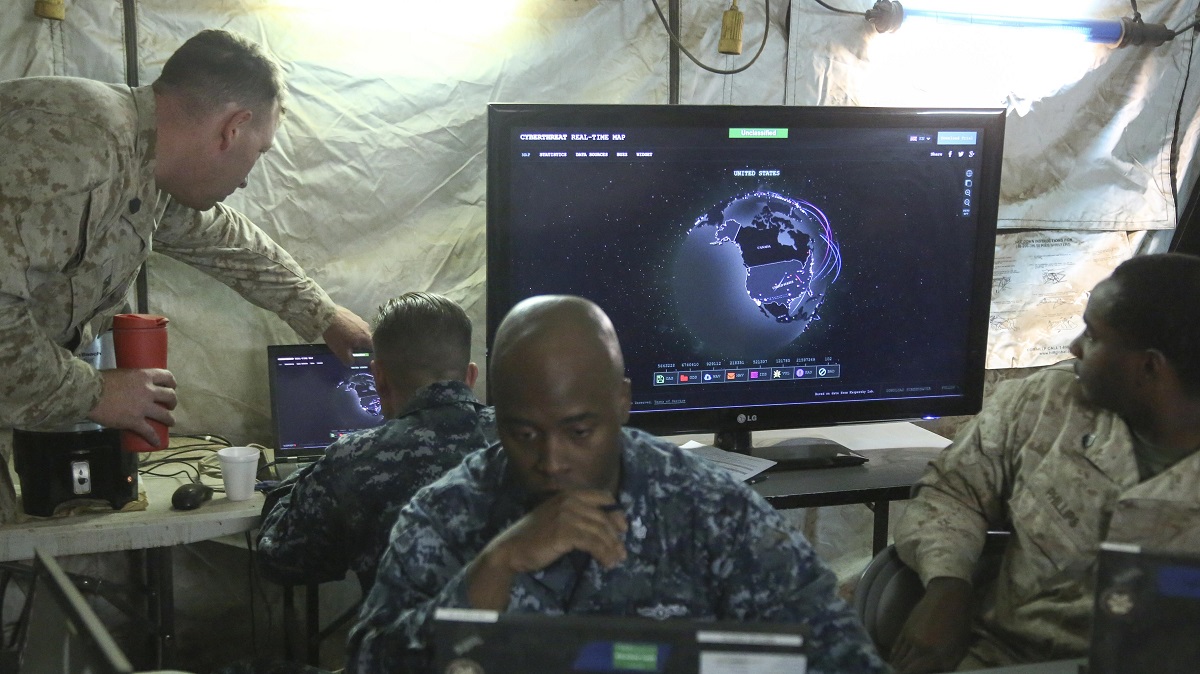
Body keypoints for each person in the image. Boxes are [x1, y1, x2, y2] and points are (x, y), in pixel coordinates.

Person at [345, 295, 889, 674]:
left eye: (578, 430)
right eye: (523, 432)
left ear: (622, 403)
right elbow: (371, 663)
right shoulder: (446, 515)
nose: (551, 459)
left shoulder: (706, 508)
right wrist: (495, 568)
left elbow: (838, 654)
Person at [0, 29, 372, 521]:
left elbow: (228, 242)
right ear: (233, 128)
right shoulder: (69, 143)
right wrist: (94, 393)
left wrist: (323, 315)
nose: (244, 179)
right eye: (258, 153)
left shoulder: (142, 166)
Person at [889, 252, 1200, 673]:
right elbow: (954, 490)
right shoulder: (1047, 402)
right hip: (1002, 657)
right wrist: (948, 586)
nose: (1074, 347)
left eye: (1092, 336)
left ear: (1148, 367)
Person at [257, 292, 497, 593]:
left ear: (379, 379)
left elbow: (280, 558)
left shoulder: (353, 460)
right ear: (472, 376)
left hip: (405, 637)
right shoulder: (530, 440)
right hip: (529, 636)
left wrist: (308, 475)